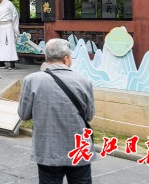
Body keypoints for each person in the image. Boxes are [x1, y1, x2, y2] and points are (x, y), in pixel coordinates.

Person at [18, 38, 95, 184]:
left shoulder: (32, 80)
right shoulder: (84, 82)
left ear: (46, 58)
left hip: (48, 149)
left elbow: (24, 114)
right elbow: (89, 116)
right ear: (66, 59)